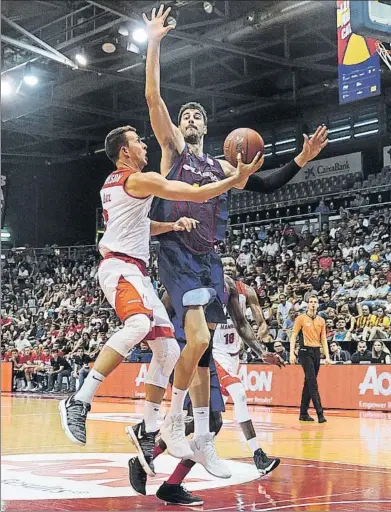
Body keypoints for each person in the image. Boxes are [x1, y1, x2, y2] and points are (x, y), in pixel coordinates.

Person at [142, 2, 327, 476]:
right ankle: (159, 427)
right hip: (177, 254)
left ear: (209, 126)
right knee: (198, 346)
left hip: (210, 261)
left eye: (197, 115)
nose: (190, 118)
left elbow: (264, 185)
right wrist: (154, 44)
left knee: (207, 362)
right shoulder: (172, 151)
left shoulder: (225, 166)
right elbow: (153, 101)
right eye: (186, 114)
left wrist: (302, 160)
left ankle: (171, 448)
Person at [58, 124, 256, 475]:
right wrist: (232, 180)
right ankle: (79, 399)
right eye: (137, 141)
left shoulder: (117, 186)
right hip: (119, 266)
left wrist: (171, 226)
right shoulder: (136, 179)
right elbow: (195, 193)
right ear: (124, 152)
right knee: (139, 324)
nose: (144, 145)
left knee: (169, 349)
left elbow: (140, 226)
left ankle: (147, 430)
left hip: (134, 267)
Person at [127, 273, 282, 506]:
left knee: (212, 424)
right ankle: (150, 463)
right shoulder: (185, 276)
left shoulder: (227, 286)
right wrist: (154, 341)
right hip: (184, 353)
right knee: (199, 422)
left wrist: (261, 352)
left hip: (205, 358)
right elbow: (163, 310)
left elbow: (241, 323)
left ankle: (167, 481)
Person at [213, 271, 282, 475]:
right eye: (223, 264)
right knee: (240, 396)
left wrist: (262, 329)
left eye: (230, 264)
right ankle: (258, 454)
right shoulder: (211, 289)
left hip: (235, 355)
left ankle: (155, 445)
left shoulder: (245, 292)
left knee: (212, 419)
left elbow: (251, 322)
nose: (227, 267)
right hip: (215, 354)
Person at [290, 295, 330, 423]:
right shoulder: (301, 318)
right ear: (307, 304)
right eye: (311, 302)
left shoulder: (321, 321)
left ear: (318, 305)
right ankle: (320, 414)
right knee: (312, 382)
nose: (313, 304)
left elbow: (323, 339)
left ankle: (303, 413)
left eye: (315, 302)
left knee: (309, 382)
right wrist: (291, 353)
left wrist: (327, 356)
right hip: (304, 351)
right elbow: (293, 335)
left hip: (316, 352)